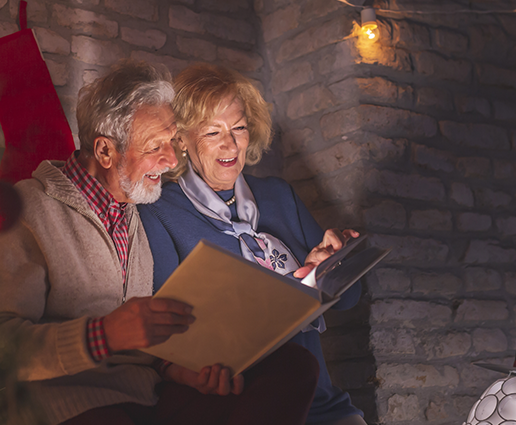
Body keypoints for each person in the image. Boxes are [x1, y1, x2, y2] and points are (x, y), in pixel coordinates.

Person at [0, 60, 320, 425]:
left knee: (292, 365)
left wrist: (178, 368)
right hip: (69, 402)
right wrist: (103, 335)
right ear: (105, 151)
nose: (172, 159)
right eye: (155, 146)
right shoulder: (28, 210)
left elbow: (145, 341)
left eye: (172, 142)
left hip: (148, 394)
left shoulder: (136, 209)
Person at [137, 63, 367, 425]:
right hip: (240, 408)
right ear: (181, 140)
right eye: (213, 132)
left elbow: (349, 300)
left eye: (239, 128)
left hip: (322, 404)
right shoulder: (158, 212)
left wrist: (337, 262)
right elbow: (164, 340)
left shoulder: (279, 196)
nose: (230, 144)